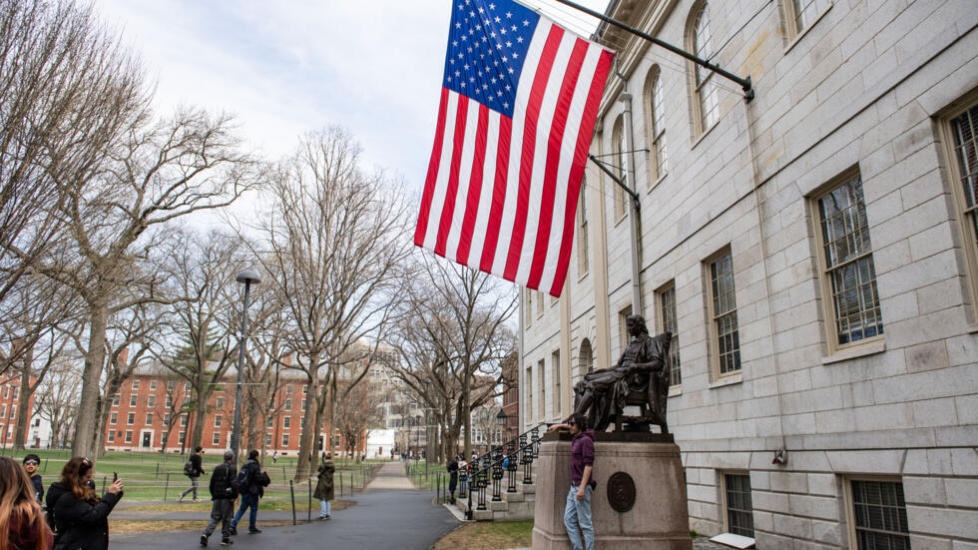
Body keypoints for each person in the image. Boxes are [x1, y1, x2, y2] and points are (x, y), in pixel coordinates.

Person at [572, 315, 671, 433]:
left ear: (639, 326)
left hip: (634, 381)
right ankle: (577, 424)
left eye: (630, 325)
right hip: (619, 373)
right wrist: (601, 372)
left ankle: (574, 424)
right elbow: (619, 366)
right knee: (581, 384)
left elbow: (657, 363)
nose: (628, 328)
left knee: (593, 385)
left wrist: (636, 367)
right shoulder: (631, 345)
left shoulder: (649, 342)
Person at [46, 456, 124, 550]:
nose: (90, 480)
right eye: (87, 477)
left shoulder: (82, 493)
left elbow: (101, 510)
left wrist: (114, 495)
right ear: (76, 477)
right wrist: (110, 495)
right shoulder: (67, 498)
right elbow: (94, 515)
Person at [549, 413, 595, 550]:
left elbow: (589, 465)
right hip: (573, 486)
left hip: (582, 487)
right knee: (569, 520)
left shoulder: (586, 441)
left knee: (585, 524)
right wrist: (558, 425)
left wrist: (582, 488)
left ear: (580, 425)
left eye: (572, 424)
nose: (570, 426)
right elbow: (570, 425)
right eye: (569, 424)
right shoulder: (576, 437)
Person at [0, 456, 54, 550]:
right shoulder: (33, 517)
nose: (31, 465)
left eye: (34, 463)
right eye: (28, 463)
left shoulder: (20, 518)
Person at [200, 450, 237, 547]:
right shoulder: (232, 468)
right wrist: (234, 496)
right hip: (226, 496)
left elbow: (212, 483)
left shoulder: (217, 468)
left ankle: (206, 534)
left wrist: (214, 495)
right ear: (232, 458)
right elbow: (234, 483)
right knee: (226, 518)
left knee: (215, 517)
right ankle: (225, 538)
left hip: (217, 496)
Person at [229, 450, 263, 535]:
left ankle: (232, 525)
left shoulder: (245, 464)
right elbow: (257, 478)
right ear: (256, 456)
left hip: (244, 490)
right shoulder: (255, 466)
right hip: (252, 490)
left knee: (242, 509)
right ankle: (252, 527)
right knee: (253, 509)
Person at [313, 453, 335, 520]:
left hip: (323, 482)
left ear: (325, 458)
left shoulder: (322, 464)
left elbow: (319, 469)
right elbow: (333, 471)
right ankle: (328, 514)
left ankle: (323, 515)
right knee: (327, 499)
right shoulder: (333, 465)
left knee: (322, 498)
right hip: (330, 482)